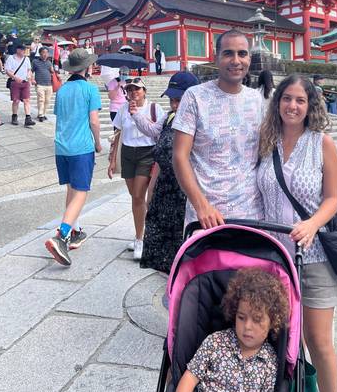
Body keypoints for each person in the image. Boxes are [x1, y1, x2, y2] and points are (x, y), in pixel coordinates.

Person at [257, 74, 337, 392]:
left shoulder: (322, 143)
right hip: (274, 257)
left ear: (310, 106)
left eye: (300, 100)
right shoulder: (266, 141)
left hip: (315, 255)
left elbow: (332, 198)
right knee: (286, 338)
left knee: (318, 341)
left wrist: (312, 224)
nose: (293, 106)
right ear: (277, 103)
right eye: (287, 99)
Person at [173, 29, 264, 229]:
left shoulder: (257, 100)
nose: (236, 60)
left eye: (242, 53)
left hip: (252, 213)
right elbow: (180, 156)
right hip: (206, 216)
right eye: (228, 53)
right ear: (216, 58)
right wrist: (201, 205)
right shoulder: (195, 97)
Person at [174, 267, 289, 392]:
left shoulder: (270, 362)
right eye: (241, 317)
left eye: (257, 319)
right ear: (234, 313)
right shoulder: (216, 342)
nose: (247, 326)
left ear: (272, 321)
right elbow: (190, 377)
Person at [133, 71, 199, 273]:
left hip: (185, 195)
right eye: (172, 100)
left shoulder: (199, 122)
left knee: (184, 255)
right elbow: (158, 142)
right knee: (163, 257)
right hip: (164, 194)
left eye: (179, 100)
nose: (175, 105)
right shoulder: (169, 118)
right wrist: (152, 188)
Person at [44, 48, 102, 266]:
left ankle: (75, 231)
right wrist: (97, 143)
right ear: (86, 67)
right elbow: (94, 122)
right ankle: (61, 236)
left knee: (71, 190)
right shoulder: (89, 89)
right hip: (81, 148)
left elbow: (61, 118)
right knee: (81, 192)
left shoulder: (63, 89)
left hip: (62, 148)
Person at [109, 77, 165, 260]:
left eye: (137, 89)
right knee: (135, 197)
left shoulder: (154, 108)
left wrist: (140, 116)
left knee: (139, 195)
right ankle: (140, 233)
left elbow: (159, 132)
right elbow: (117, 134)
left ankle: (141, 238)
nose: (134, 93)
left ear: (144, 91)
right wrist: (112, 160)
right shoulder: (123, 109)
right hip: (127, 153)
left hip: (146, 154)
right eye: (130, 90)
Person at [5, 44, 36, 127]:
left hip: (25, 82)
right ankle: (14, 116)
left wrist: (29, 76)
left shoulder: (26, 59)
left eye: (24, 50)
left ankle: (28, 118)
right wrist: (15, 77)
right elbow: (8, 71)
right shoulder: (11, 58)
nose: (24, 52)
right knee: (16, 100)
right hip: (15, 82)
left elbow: (29, 69)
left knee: (27, 100)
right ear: (18, 50)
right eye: (22, 50)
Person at [32, 47, 58, 122]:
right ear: (40, 53)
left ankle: (43, 113)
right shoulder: (35, 62)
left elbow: (52, 72)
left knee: (47, 100)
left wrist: (54, 71)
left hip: (49, 84)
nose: (45, 54)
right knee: (41, 99)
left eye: (47, 52)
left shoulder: (49, 63)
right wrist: (32, 79)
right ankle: (41, 115)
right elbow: (31, 71)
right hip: (39, 84)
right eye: (43, 52)